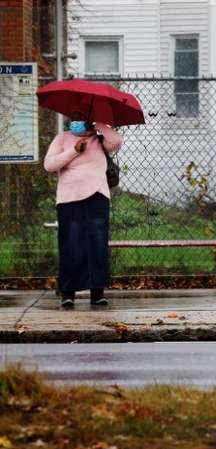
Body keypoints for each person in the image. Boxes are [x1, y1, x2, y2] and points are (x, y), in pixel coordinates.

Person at [43, 100, 123, 308]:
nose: (76, 121)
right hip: (69, 199)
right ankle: (68, 293)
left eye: (81, 117)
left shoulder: (99, 140)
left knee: (97, 245)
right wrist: (74, 151)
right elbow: (49, 165)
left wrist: (98, 125)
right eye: (74, 117)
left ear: (88, 120)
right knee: (71, 245)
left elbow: (116, 140)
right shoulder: (62, 138)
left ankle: (97, 293)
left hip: (97, 197)